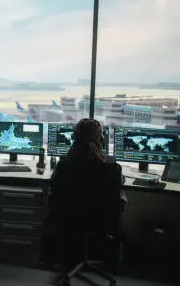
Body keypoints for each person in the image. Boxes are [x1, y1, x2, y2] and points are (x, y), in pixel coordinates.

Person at [48, 118, 123, 280]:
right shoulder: (111, 168)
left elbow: (53, 187)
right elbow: (117, 186)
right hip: (100, 222)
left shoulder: (64, 166)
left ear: (75, 138)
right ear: (100, 139)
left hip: (68, 220)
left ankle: (67, 262)